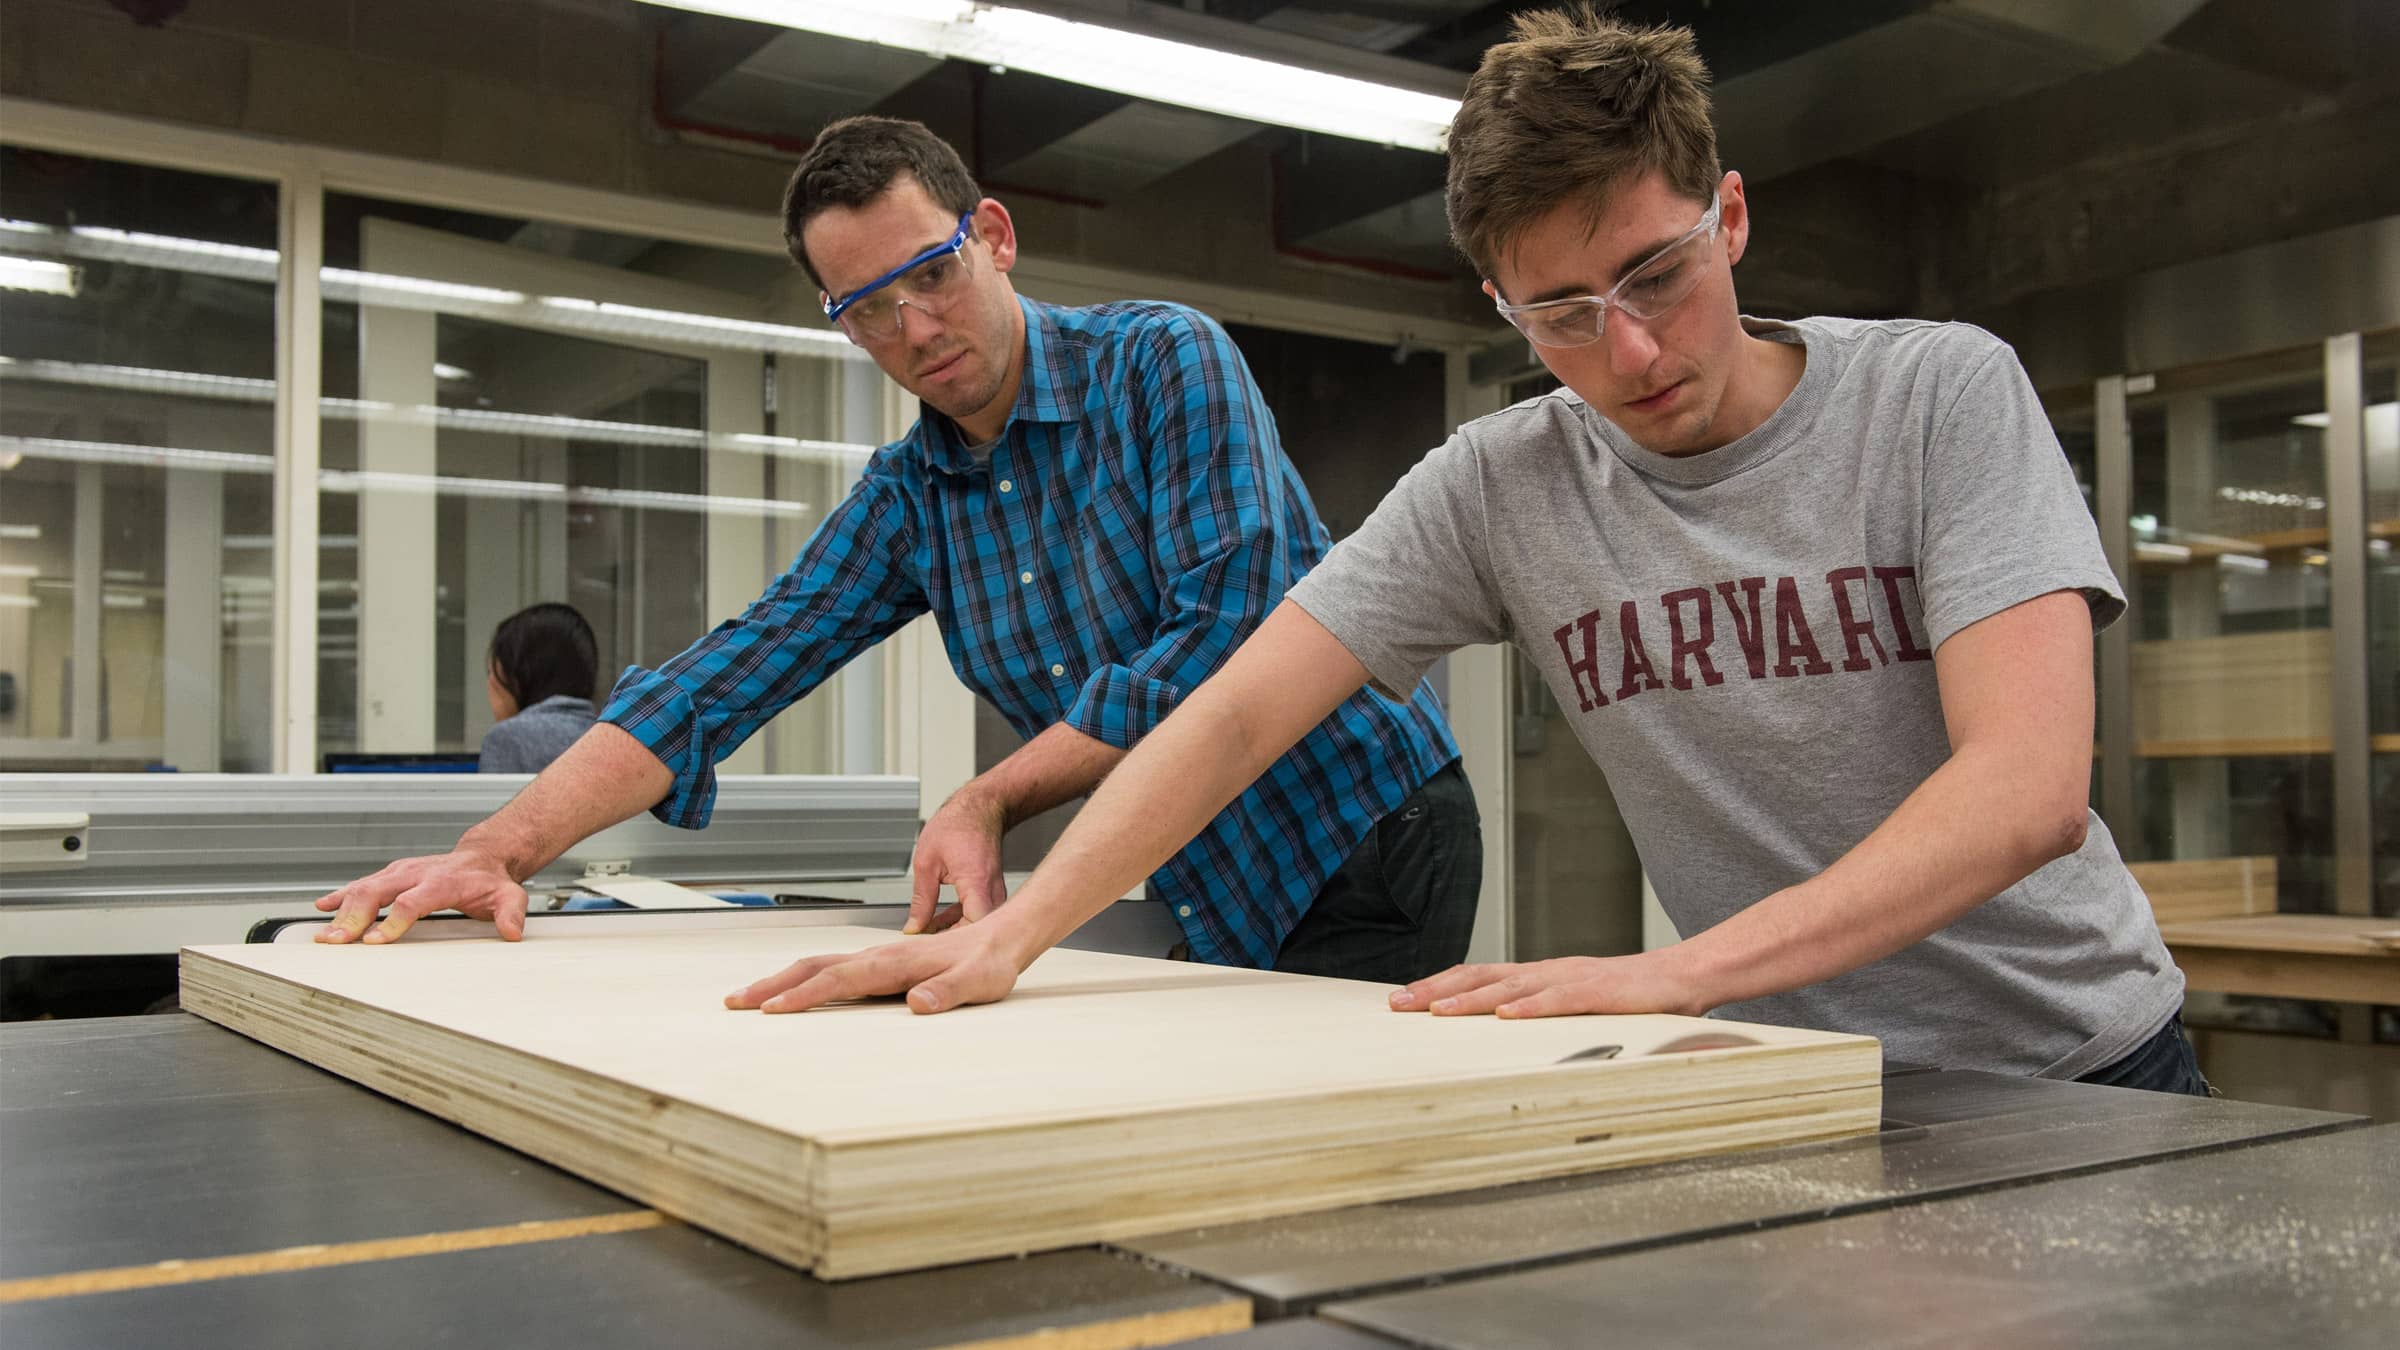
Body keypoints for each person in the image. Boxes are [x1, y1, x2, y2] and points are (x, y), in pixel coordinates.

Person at [735, 12, 2206, 1098]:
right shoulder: (1505, 482)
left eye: (1656, 275)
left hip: (2076, 1061)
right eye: (1559, 315)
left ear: (1731, 215)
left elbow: (2024, 789)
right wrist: (1015, 940)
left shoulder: (1938, 396)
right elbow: (1237, 711)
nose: (1628, 352)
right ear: (1502, 305)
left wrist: (1676, 973)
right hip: (1793, 1078)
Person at [312, 116, 1480, 985]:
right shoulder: (911, 498)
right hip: (1206, 861)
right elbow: (726, 674)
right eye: (869, 307)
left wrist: (989, 797)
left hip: (1364, 828)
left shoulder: (1160, 363)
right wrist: (497, 848)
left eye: (932, 273)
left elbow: (1228, 632)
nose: (916, 327)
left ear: (994, 238)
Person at [478, 602, 599, 774]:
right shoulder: (612, 737)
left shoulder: (506, 740)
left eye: (492, 672)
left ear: (516, 675)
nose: (490, 684)